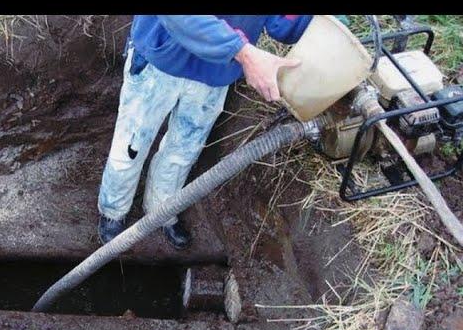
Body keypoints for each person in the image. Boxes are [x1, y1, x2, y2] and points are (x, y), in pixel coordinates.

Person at [97, 15, 313, 249]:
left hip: (216, 73)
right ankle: (113, 211)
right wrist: (244, 52)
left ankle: (161, 211)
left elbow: (282, 24)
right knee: (131, 147)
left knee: (182, 152)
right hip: (162, 59)